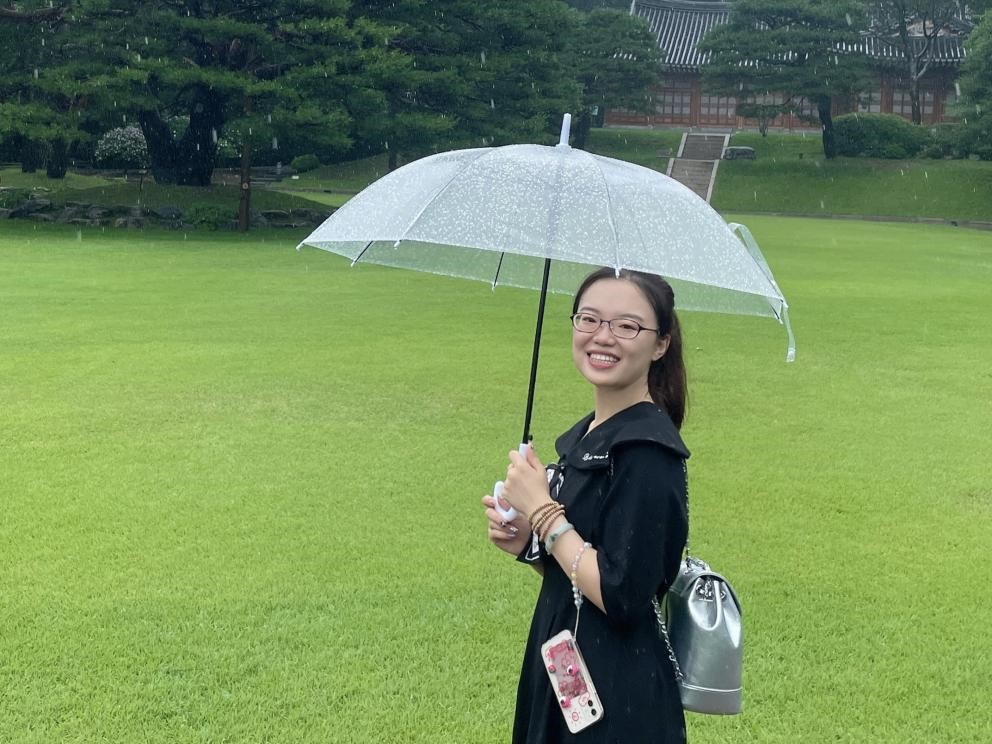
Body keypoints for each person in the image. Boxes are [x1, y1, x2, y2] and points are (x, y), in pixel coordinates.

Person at [482, 266, 690, 743]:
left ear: (661, 344)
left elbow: (622, 595)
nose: (603, 336)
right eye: (589, 319)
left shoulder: (647, 453)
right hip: (566, 668)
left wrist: (544, 513)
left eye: (627, 325)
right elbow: (580, 576)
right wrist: (529, 544)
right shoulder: (588, 436)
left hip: (616, 697)